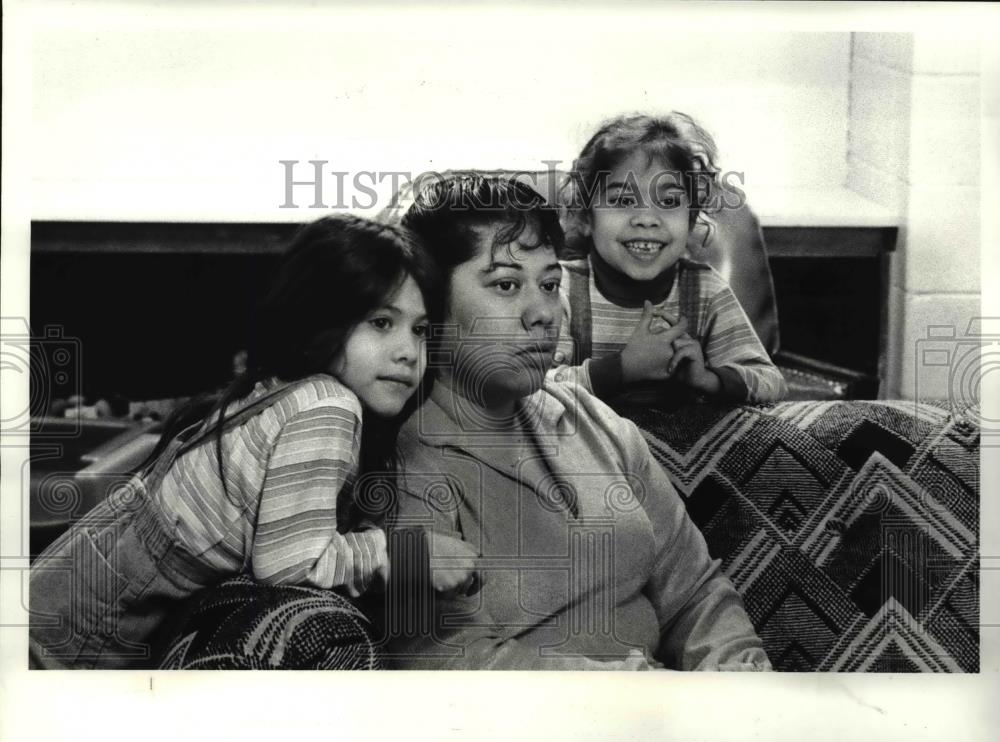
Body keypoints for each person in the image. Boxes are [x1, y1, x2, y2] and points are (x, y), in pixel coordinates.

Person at [385, 175, 771, 671]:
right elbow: (437, 655)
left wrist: (739, 672)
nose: (542, 313)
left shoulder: (596, 423)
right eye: (506, 285)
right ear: (431, 305)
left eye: (549, 285)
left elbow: (695, 592)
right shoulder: (403, 460)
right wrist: (640, 692)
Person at [29, 214, 441, 669]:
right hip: (73, 640)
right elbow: (287, 566)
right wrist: (405, 557)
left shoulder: (279, 388)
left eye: (420, 330)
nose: (408, 351)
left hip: (55, 604)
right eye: (382, 322)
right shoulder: (329, 405)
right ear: (321, 318)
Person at [551, 112, 787, 406]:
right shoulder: (559, 290)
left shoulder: (706, 291)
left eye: (669, 201)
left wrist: (708, 379)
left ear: (689, 221)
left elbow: (770, 382)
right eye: (624, 200)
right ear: (587, 217)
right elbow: (531, 390)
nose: (648, 219)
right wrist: (620, 370)